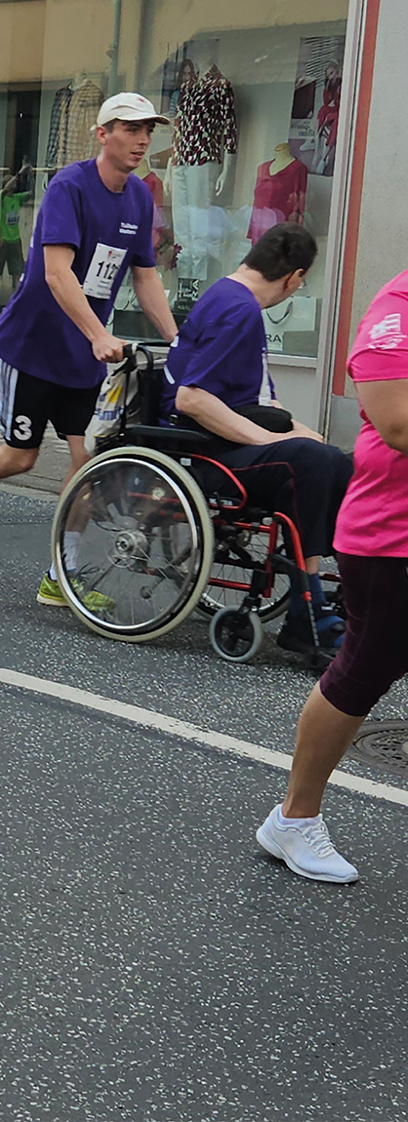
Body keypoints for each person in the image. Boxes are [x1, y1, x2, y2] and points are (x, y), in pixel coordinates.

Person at [0, 92, 180, 601]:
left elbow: (145, 275)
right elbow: (56, 272)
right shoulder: (69, 187)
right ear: (102, 133)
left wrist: (178, 340)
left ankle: (61, 574)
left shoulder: (139, 197)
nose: (142, 140)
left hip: (86, 358)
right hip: (35, 348)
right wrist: (99, 333)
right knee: (19, 458)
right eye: (131, 129)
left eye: (148, 131)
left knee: (86, 460)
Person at [254, 266, 408, 885]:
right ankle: (293, 818)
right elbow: (396, 423)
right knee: (362, 672)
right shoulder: (396, 310)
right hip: (392, 539)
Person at [159, 223, 352, 658]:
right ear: (294, 278)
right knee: (309, 461)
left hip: (224, 438)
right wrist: (268, 438)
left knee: (341, 461)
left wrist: (292, 428)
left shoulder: (231, 299)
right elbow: (192, 398)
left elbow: (250, 401)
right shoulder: (237, 310)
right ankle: (309, 612)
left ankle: (356, 587)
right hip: (202, 451)